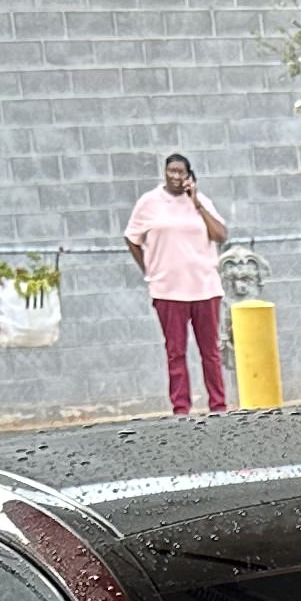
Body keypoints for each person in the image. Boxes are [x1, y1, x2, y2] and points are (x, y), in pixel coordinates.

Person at [124, 153, 231, 414]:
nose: (175, 176)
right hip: (168, 290)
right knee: (176, 351)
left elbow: (220, 235)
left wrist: (197, 203)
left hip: (205, 288)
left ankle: (218, 405)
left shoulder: (201, 201)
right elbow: (132, 238)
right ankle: (181, 407)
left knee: (210, 351)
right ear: (164, 173)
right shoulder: (149, 202)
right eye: (171, 171)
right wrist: (149, 268)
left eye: (180, 172)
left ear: (189, 175)